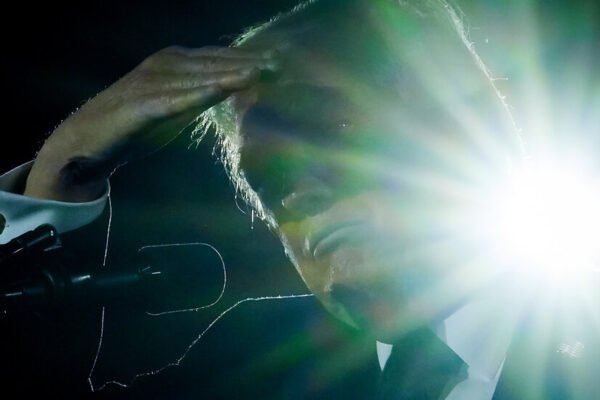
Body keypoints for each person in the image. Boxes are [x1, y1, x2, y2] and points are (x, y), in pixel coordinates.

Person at [1, 0, 598, 398]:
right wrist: (65, 166)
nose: (299, 191)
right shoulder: (258, 363)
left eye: (330, 130)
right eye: (267, 180)